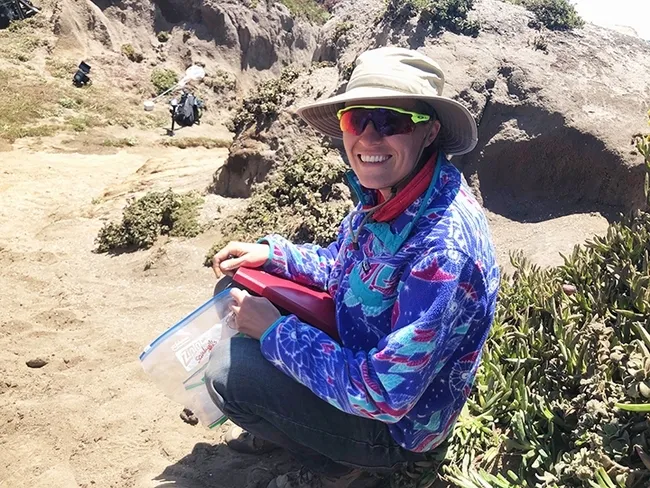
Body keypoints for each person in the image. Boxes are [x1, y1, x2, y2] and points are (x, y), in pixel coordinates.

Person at [205, 46, 500, 488]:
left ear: (430, 132)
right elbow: (343, 268)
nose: (368, 138)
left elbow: (386, 395)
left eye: (392, 122)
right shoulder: (395, 191)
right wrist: (274, 256)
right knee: (236, 288)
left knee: (230, 373)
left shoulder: (442, 252)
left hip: (395, 427)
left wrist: (276, 332)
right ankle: (295, 422)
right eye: (356, 120)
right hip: (359, 347)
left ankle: (342, 465)